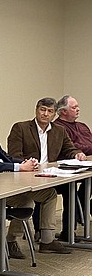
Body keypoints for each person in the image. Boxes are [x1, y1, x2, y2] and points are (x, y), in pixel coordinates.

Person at [0, 104, 69, 255]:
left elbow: (6, 157)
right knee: (26, 201)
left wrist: (24, 163)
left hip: (5, 184)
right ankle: (11, 241)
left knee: (48, 193)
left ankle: (47, 240)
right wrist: (18, 168)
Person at [7, 97, 86, 246]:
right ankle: (40, 233)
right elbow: (13, 156)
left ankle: (68, 232)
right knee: (46, 193)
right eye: (42, 110)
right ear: (36, 110)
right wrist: (28, 164)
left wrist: (77, 154)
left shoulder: (59, 130)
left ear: (55, 114)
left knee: (70, 188)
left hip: (50, 175)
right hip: (28, 176)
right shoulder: (21, 128)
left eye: (50, 111)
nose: (45, 114)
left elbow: (69, 148)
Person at [54, 95, 92, 240]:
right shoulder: (59, 127)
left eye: (77, 107)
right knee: (71, 191)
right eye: (74, 107)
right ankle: (75, 220)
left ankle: (82, 211)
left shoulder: (82, 126)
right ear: (63, 111)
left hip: (86, 166)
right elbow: (72, 147)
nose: (78, 109)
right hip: (67, 169)